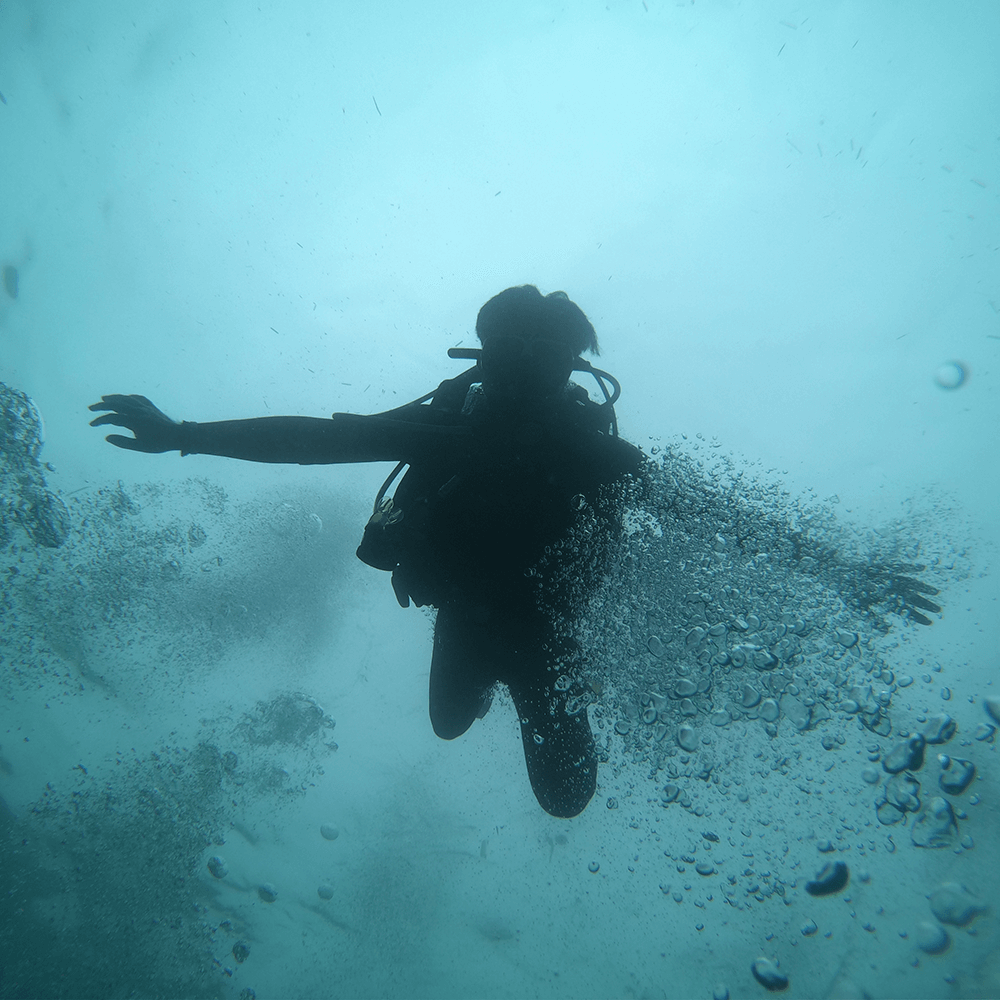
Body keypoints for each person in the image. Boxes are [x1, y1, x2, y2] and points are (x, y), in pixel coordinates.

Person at [90, 286, 646, 817]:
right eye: (509, 352)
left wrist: (183, 434)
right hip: (463, 612)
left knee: (566, 799)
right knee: (447, 724)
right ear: (483, 357)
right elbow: (313, 441)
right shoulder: (444, 428)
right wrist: (182, 434)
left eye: (543, 358)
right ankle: (490, 679)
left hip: (544, 630)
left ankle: (561, 672)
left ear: (569, 369)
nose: (523, 374)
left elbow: (700, 509)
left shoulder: (594, 455)